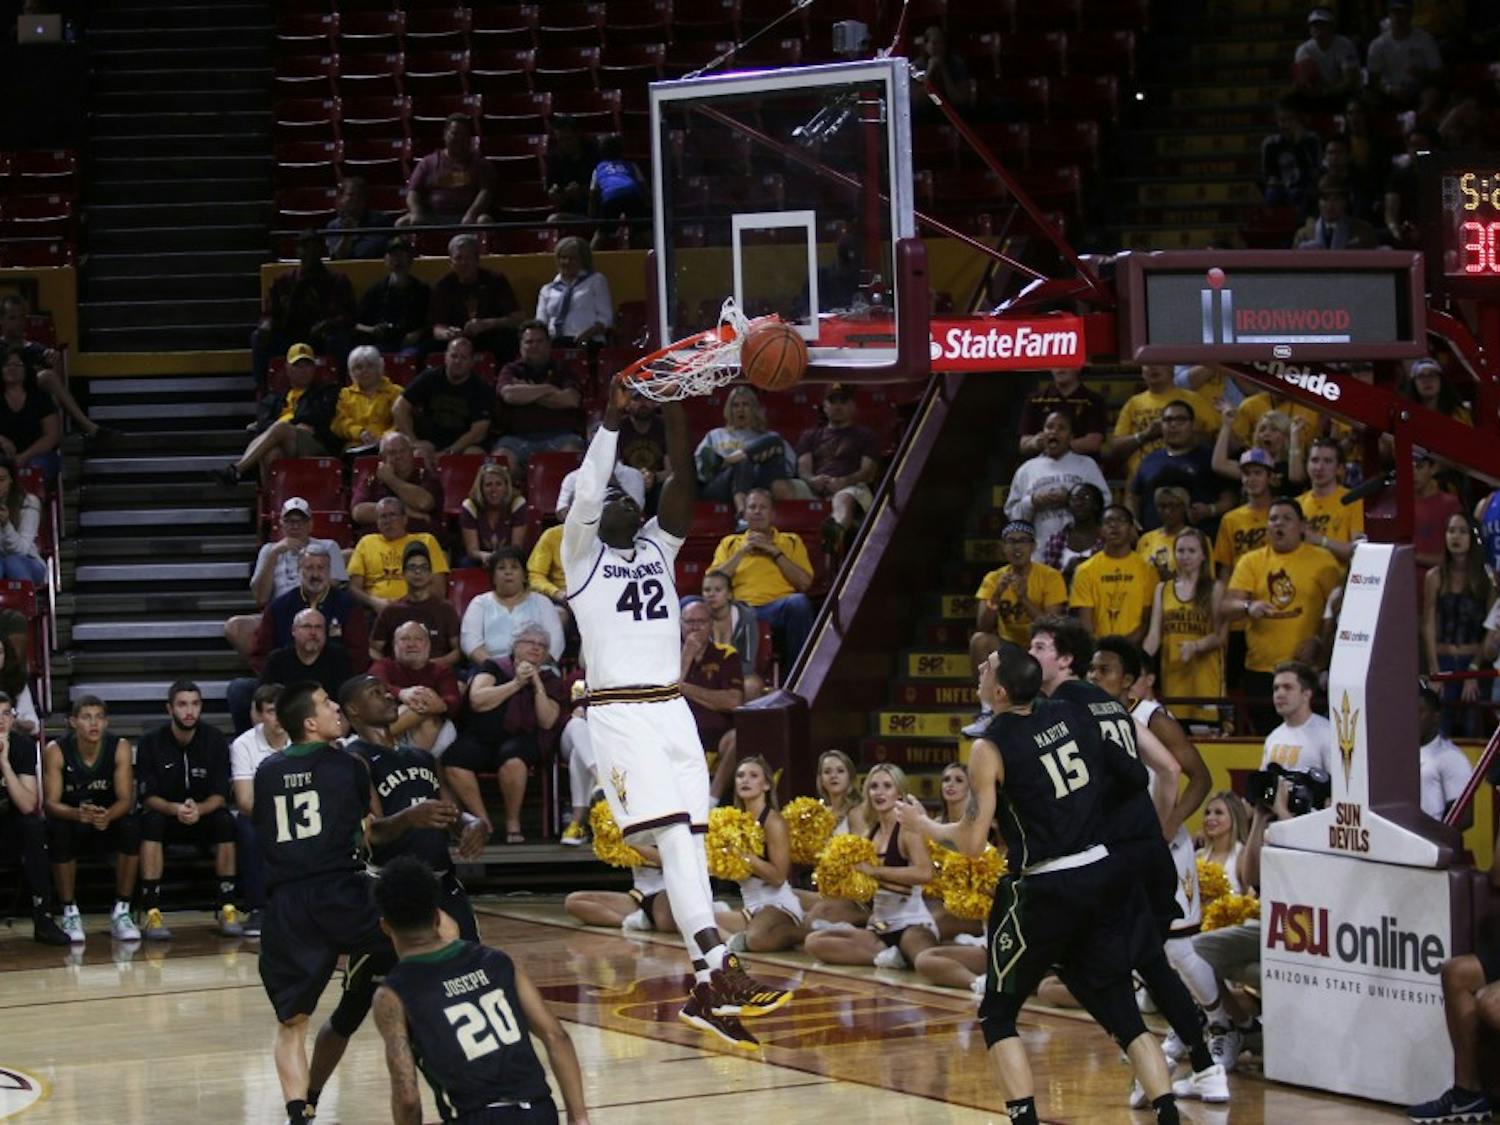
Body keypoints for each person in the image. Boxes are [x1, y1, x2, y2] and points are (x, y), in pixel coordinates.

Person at [563, 372, 790, 1048]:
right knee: (669, 837)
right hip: (620, 713)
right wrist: (609, 419)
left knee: (688, 840)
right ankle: (718, 965)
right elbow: (586, 491)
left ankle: (707, 982)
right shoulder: (580, 559)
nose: (619, 498)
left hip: (671, 709)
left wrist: (674, 416)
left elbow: (684, 490)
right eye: (608, 495)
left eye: (626, 492)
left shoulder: (658, 551)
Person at [899, 644, 1190, 1125]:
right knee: (1123, 1013)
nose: (978, 668)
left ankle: (1025, 1120)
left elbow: (973, 842)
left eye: (986, 666)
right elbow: (1135, 774)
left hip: (1047, 886)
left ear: (999, 690)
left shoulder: (989, 746)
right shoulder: (1073, 713)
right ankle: (1168, 1113)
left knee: (997, 1013)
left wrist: (924, 826)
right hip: (1103, 873)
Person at [1025, 616, 1226, 1105]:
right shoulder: (1111, 706)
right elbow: (1168, 769)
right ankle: (1190, 1065)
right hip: (1142, 850)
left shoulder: (1063, 707)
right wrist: (1154, 828)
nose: (1030, 654)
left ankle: (1190, 1061)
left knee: (1113, 966)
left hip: (1114, 854)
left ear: (1063, 658)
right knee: (1147, 964)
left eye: (1040, 646)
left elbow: (1168, 771)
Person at [253, 682, 397, 1125]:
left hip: (287, 903)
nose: (338, 708)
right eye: (328, 704)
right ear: (311, 723)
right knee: (428, 931)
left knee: (292, 1023)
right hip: (342, 891)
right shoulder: (349, 766)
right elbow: (362, 829)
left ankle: (299, 1114)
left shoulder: (267, 771)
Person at [1088, 639, 1230, 1078]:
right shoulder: (1092, 718)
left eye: (1105, 669)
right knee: (1145, 951)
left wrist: (1171, 822)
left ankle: (1225, 1025)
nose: (1095, 676)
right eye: (1091, 669)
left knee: (1179, 948)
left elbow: (1201, 778)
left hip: (1164, 847)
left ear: (1129, 680)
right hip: (1125, 849)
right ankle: (1188, 1024)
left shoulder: (1151, 717)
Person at [371, 856, 591, 1125]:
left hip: (477, 1116)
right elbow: (556, 1037)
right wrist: (579, 1117)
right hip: (539, 1111)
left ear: (385, 925)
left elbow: (407, 1097)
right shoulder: (496, 960)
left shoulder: (392, 994)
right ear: (438, 915)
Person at [802, 763, 938, 969]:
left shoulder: (907, 830)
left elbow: (925, 872)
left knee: (925, 962)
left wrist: (875, 871)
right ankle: (887, 956)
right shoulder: (869, 833)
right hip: (879, 927)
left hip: (911, 923)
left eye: (887, 786)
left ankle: (894, 956)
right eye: (874, 787)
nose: (879, 792)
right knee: (814, 943)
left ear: (899, 793)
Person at [135, 681, 242, 939]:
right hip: (166, 813)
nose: (189, 711)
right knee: (151, 821)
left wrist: (201, 809)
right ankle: (152, 909)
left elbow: (221, 793)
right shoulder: (151, 741)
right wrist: (174, 809)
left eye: (195, 704)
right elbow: (147, 796)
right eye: (182, 704)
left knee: (225, 820)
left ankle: (227, 905)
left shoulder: (214, 739)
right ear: (169, 708)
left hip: (202, 814)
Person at [1225, 499, 1343, 727]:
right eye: (1273, 519)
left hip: (1306, 670)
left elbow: (1337, 611)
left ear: (1302, 526)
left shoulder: (1323, 560)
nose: (1278, 524)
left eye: (1287, 519)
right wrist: (1249, 607)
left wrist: (1319, 641)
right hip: (1262, 672)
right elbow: (1226, 608)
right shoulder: (1251, 561)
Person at [445, 623, 566, 844]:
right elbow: (478, 701)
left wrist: (537, 683)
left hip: (523, 739)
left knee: (513, 758)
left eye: (543, 645)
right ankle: (483, 822)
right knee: (454, 760)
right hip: (483, 737)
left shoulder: (551, 679)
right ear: (515, 646)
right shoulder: (494, 666)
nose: (536, 648)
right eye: (530, 642)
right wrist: (517, 683)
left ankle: (513, 822)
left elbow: (547, 721)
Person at [43, 695, 141, 942]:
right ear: (73, 722)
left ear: (106, 722)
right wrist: (77, 814)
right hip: (72, 819)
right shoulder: (56, 751)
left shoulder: (119, 747)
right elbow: (51, 804)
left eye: (99, 717)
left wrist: (108, 816)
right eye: (86, 717)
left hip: (106, 821)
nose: (94, 723)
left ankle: (122, 910)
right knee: (58, 830)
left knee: (131, 826)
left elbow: (125, 800)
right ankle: (69, 910)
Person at [709, 488, 816, 665]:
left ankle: (799, 674)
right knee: (695, 606)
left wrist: (774, 552)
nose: (757, 511)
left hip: (778, 608)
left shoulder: (791, 541)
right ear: (745, 513)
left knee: (799, 603)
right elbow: (712, 585)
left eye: (763, 507)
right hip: (739, 609)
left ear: (773, 514)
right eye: (752, 507)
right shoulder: (730, 543)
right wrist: (742, 552)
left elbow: (804, 584)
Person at [713, 756, 804, 955]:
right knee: (699, 922)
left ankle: (803, 932)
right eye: (740, 776)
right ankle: (736, 941)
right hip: (751, 908)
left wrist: (745, 856)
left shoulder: (773, 822)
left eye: (753, 776)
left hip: (778, 905)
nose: (745, 780)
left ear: (766, 785)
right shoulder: (734, 821)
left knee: (757, 939)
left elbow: (779, 877)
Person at [214, 342, 340, 486]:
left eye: (308, 365)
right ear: (287, 369)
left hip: (314, 443)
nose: (303, 370)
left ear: (314, 369)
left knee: (280, 427)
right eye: (298, 365)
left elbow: (320, 416)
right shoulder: (273, 398)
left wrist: (289, 427)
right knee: (271, 453)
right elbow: (263, 424)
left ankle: (237, 469)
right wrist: (294, 425)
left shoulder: (326, 393)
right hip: (284, 441)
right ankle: (273, 502)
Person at [0, 692, 69, 944]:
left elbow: (29, 804)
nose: (1, 721)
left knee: (33, 826)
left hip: (10, 828)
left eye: (6, 714)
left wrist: (5, 764)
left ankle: (43, 918)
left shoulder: (23, 746)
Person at [251, 232, 355, 388]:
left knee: (339, 339)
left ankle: (342, 388)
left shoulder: (337, 281)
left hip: (322, 340)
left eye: (314, 248)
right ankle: (262, 389)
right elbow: (270, 313)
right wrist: (266, 325)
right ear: (298, 251)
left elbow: (348, 316)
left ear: (321, 251)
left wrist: (327, 324)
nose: (309, 253)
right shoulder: (282, 281)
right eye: (305, 248)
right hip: (289, 339)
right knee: (259, 336)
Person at [1144, 529, 1226, 727]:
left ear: (1203, 555)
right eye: (1181, 551)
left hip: (1205, 680)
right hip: (1173, 678)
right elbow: (1154, 635)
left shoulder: (1216, 588)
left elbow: (1219, 635)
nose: (1185, 556)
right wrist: (1140, 663)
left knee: (1206, 739)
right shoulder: (1163, 589)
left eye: (1191, 551)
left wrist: (1195, 646)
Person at [1423, 513, 1494, 735]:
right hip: (1443, 661)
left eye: (1462, 531)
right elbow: (1428, 625)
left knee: (1473, 729)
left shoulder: (1486, 579)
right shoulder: (1434, 576)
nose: (1456, 537)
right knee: (1439, 729)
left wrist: (1474, 669)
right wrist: (1435, 671)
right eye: (1451, 531)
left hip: (1474, 662)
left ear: (1473, 537)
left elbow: (1491, 629)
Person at [1005, 412, 1110, 559]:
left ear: (1071, 437)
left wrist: (1071, 499)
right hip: (1039, 553)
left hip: (1081, 551)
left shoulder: (1086, 465)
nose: (1054, 431)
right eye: (1049, 427)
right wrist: (1033, 501)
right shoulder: (1026, 470)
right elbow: (1013, 515)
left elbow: (1104, 503)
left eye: (1062, 428)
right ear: (1042, 434)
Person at [969, 520, 1068, 671]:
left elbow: (1051, 627)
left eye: (1023, 541)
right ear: (1003, 547)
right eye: (1011, 541)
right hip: (1008, 645)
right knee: (979, 641)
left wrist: (1023, 599)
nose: (1017, 547)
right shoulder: (994, 578)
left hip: (1040, 643)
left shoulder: (1051, 576)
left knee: (1053, 642)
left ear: (1033, 546)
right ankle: (986, 693)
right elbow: (983, 625)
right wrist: (996, 595)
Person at [230, 682, 288, 938]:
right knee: (247, 827)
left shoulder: (303, 737)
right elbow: (244, 800)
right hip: (263, 814)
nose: (279, 718)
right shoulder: (243, 744)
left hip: (298, 810)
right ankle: (257, 908)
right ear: (259, 714)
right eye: (272, 711)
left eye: (284, 710)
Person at [794, 382, 881, 549]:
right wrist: (812, 480)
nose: (838, 406)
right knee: (780, 487)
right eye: (833, 401)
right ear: (825, 407)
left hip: (852, 486)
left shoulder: (865, 436)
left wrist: (843, 482)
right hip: (815, 486)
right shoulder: (810, 435)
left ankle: (833, 537)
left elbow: (867, 472)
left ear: (853, 406)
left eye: (843, 401)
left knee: (843, 498)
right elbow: (803, 468)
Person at [492, 320, 586, 470]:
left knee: (572, 455)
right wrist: (550, 389)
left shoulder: (563, 369)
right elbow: (509, 395)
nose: (534, 346)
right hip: (516, 438)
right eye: (529, 342)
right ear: (521, 346)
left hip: (560, 436)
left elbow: (571, 399)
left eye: (539, 341)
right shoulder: (511, 369)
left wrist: (526, 390)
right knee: (501, 460)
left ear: (549, 344)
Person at [1103, 365, 1217, 486]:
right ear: (1142, 372)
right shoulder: (1133, 403)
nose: (1154, 368)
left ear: (1172, 369)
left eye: (1160, 363)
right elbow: (1116, 447)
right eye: (1148, 364)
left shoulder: (1194, 399)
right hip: (1142, 480)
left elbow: (1213, 438)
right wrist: (1144, 435)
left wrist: (1183, 435)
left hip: (1186, 476)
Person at [679, 599, 744, 804]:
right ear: (680, 624)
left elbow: (733, 701)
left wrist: (685, 689)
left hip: (717, 734)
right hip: (680, 731)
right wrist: (686, 657)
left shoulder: (726, 654)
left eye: (701, 621)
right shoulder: (669, 656)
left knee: (738, 736)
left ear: (710, 625)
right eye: (689, 622)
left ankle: (712, 800)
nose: (695, 627)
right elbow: (665, 693)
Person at [694, 386, 799, 515]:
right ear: (729, 410)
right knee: (743, 462)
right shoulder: (715, 435)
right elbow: (701, 467)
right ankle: (743, 510)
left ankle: (728, 461)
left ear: (754, 409)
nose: (740, 409)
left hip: (759, 486)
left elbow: (786, 470)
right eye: (735, 405)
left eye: (746, 405)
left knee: (773, 440)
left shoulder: (767, 437)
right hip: (721, 485)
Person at [1128, 400, 1229, 531]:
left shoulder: (1210, 458)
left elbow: (1230, 498)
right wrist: (1132, 520)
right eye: (1168, 420)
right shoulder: (1150, 459)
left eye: (1181, 420)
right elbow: (1134, 496)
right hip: (1154, 543)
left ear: (1193, 425)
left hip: (1197, 542)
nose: (1173, 425)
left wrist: (1211, 510)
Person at [1068, 505, 1160, 646]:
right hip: (1097, 650)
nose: (1114, 526)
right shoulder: (1084, 570)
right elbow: (1085, 624)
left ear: (1131, 529)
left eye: (1121, 521)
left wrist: (1124, 648)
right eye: (1108, 521)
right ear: (1100, 530)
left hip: (1135, 651)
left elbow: (1148, 621)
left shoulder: (1147, 569)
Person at [369, 621, 463, 754]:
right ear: (395, 646)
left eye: (418, 639)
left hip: (436, 728)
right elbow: (375, 685)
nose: (411, 644)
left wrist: (441, 705)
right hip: (390, 722)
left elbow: (454, 700)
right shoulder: (384, 666)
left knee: (426, 715)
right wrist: (402, 694)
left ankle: (365, 741)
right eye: (404, 639)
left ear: (428, 646)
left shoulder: (441, 670)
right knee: (419, 705)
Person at [461, 544, 565, 665]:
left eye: (514, 567)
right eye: (501, 568)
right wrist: (497, 668)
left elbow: (556, 642)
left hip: (537, 668)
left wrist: (533, 668)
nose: (508, 572)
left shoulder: (542, 602)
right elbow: (470, 642)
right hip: (491, 669)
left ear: (525, 576)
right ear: (493, 577)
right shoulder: (479, 603)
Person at [392, 335, 493, 458]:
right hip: (431, 442)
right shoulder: (429, 378)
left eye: (463, 358)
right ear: (446, 357)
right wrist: (413, 442)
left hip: (463, 445)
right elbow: (399, 408)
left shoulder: (481, 388)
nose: (457, 361)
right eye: (454, 356)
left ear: (472, 362)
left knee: (474, 455)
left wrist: (448, 452)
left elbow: (479, 432)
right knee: (419, 454)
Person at [348, 498, 451, 614]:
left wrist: (406, 603)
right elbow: (354, 588)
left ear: (404, 519)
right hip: (376, 611)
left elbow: (439, 590)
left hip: (417, 609)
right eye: (383, 516)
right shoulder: (366, 543)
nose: (388, 521)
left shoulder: (426, 541)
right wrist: (374, 602)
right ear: (377, 522)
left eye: (393, 515)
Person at [369, 541, 463, 669]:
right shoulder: (391, 610)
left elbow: (457, 652)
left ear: (430, 575)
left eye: (423, 568)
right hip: (399, 675)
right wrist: (392, 667)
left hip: (436, 673)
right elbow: (374, 649)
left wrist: (430, 665)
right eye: (412, 567)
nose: (418, 572)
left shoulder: (445, 609)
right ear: (403, 574)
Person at [429, 233, 521, 360]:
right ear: (451, 262)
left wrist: (486, 324)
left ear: (477, 260)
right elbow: (437, 328)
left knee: (509, 339)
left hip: (490, 337)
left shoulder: (495, 280)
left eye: (468, 258)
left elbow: (516, 319)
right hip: (456, 341)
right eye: (458, 258)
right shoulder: (442, 286)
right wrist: (447, 333)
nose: (463, 263)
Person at [400, 113, 494, 228]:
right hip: (433, 216)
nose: (459, 138)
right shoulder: (428, 163)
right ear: (445, 134)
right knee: (402, 223)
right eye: (455, 133)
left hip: (466, 216)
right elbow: (413, 191)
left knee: (484, 220)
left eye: (464, 134)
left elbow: (486, 191)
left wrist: (472, 214)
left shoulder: (480, 163)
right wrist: (416, 212)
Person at [350, 431, 444, 536]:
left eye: (403, 451)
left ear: (411, 453)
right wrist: (409, 512)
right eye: (392, 453)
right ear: (382, 457)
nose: (398, 456)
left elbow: (424, 503)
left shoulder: (426, 476)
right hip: (377, 543)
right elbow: (358, 512)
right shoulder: (372, 479)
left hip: (417, 542)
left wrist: (391, 480)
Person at [353, 236, 431, 356]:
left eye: (402, 255)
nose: (397, 260)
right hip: (382, 344)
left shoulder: (422, 290)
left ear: (410, 259)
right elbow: (357, 324)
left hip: (410, 346)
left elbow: (432, 323)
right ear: (385, 260)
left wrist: (418, 334)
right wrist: (373, 330)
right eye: (393, 255)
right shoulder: (375, 291)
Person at [262, 608, 353, 707]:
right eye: (307, 626)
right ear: (294, 631)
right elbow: (263, 698)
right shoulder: (277, 659)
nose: (313, 633)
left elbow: (347, 698)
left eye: (318, 627)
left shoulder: (338, 656)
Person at [536, 236, 613, 346]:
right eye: (563, 257)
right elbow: (541, 322)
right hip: (554, 343)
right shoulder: (547, 289)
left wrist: (587, 334)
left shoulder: (596, 281)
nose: (567, 262)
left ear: (583, 259)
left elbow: (606, 318)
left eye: (573, 258)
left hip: (589, 341)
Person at [1298, 436, 1363, 564]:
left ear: (1339, 468)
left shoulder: (1353, 500)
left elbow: (1358, 552)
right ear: (1307, 465)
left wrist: (1320, 541)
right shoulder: (1296, 504)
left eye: (1327, 461)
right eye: (1314, 460)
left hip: (1338, 578)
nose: (1319, 467)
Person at [1260, 660, 1334, 773]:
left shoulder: (1327, 734)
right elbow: (1265, 785)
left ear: (1306, 694)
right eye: (1276, 688)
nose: (1280, 694)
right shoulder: (1273, 738)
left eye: (1288, 687)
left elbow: (1340, 786)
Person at [700, 570, 764, 700]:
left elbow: (748, 662)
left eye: (718, 590)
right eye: (707, 590)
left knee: (752, 685)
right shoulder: (698, 619)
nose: (711, 594)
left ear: (729, 594)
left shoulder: (746, 619)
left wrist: (724, 677)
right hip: (705, 673)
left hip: (738, 674)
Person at [1018, 366, 1108, 458]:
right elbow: (1024, 444)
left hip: (1081, 468)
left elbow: (1093, 443)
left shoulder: (1094, 401)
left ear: (1078, 367)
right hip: (1043, 468)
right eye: (1056, 362)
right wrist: (1035, 442)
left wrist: (1056, 445)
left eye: (1067, 363)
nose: (1060, 368)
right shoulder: (1035, 400)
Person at [1416, 681, 1474, 824]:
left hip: (1430, 840)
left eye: (1420, 712)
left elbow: (1465, 818)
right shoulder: (1399, 753)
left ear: (1436, 717)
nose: (1413, 718)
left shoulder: (1452, 757)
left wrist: (1432, 837)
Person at [0, 345, 62, 479]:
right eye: (7, 365)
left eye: (18, 364)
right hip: (3, 456)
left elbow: (52, 436)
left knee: (39, 466)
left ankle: (33, 500)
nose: (12, 368)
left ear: (26, 369)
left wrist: (23, 457)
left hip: (37, 455)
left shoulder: (41, 397)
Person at [1366, 0, 1442, 107]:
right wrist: (1390, 90)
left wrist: (1422, 73)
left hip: (1417, 88)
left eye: (1403, 13)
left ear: (1410, 15)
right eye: (1395, 13)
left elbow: (1438, 73)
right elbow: (1373, 80)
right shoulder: (1377, 44)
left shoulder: (1425, 39)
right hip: (1389, 90)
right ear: (1389, 15)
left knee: (1431, 94)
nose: (1398, 17)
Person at [329, 345, 402, 453]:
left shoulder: (396, 392)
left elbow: (401, 422)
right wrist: (360, 433)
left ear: (379, 368)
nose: (364, 371)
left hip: (390, 447)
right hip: (356, 446)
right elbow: (339, 423)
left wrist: (384, 438)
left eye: (370, 366)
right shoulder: (345, 394)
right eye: (358, 367)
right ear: (351, 372)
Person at [459, 461, 529, 567]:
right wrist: (485, 557)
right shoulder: (470, 506)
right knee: (465, 563)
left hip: (510, 556)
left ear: (506, 487)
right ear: (481, 488)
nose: (493, 490)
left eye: (498, 484)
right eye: (488, 485)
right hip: (481, 558)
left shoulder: (517, 503)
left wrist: (499, 558)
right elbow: (472, 550)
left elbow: (516, 547)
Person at [1260, 96, 1324, 210]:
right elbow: (1268, 175)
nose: (1287, 125)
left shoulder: (1311, 139)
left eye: (1291, 120)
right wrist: (1274, 181)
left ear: (1299, 119)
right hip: (1280, 188)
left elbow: (1314, 171)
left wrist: (1298, 144)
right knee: (1271, 194)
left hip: (1306, 186)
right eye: (1283, 121)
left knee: (1300, 194)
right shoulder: (1270, 144)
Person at [588, 133, 648, 248]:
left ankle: (588, 257)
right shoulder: (631, 165)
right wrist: (646, 204)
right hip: (632, 195)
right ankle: (660, 253)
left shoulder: (599, 168)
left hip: (611, 197)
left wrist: (591, 216)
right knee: (644, 230)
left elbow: (593, 194)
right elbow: (643, 186)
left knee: (601, 233)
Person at [1294, 175, 1379, 249]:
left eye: (1336, 199)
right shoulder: (1303, 235)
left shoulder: (1364, 231)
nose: (1329, 206)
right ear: (1318, 202)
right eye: (1325, 200)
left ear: (1345, 202)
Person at [1294, 7, 1360, 100]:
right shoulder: (1303, 50)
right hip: (1317, 96)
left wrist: (1328, 92)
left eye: (1322, 24)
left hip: (1343, 95)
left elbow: (1350, 80)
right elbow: (1303, 82)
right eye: (1314, 25)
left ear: (1331, 27)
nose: (1318, 28)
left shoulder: (1345, 44)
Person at [1044, 481, 1105, 581]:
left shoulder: (1106, 540)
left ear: (1096, 505)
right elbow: (1049, 583)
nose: (1079, 503)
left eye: (1085, 498)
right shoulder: (1056, 540)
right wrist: (1067, 573)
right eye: (1074, 498)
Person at [0, 453, 46, 584]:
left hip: (28, 562)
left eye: (1, 480)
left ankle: (26, 603)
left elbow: (23, 550)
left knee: (12, 562)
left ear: (11, 480)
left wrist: (6, 525)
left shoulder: (29, 502)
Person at [323, 175, 392, 260]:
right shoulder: (334, 226)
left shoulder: (380, 221)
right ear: (342, 198)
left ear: (365, 199)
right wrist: (347, 235)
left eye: (359, 195)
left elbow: (369, 251)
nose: (356, 199)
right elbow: (338, 258)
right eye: (351, 195)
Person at [1197, 791, 1248, 893]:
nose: (1210, 818)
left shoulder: (1243, 856)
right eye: (1207, 813)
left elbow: (1252, 900)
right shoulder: (1198, 856)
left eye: (1218, 812)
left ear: (1234, 817)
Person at [1136, 486, 1192, 579]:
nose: (1167, 511)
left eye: (1173, 506)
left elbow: (1205, 579)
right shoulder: (1145, 539)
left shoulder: (1197, 538)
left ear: (1184, 507)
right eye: (1162, 506)